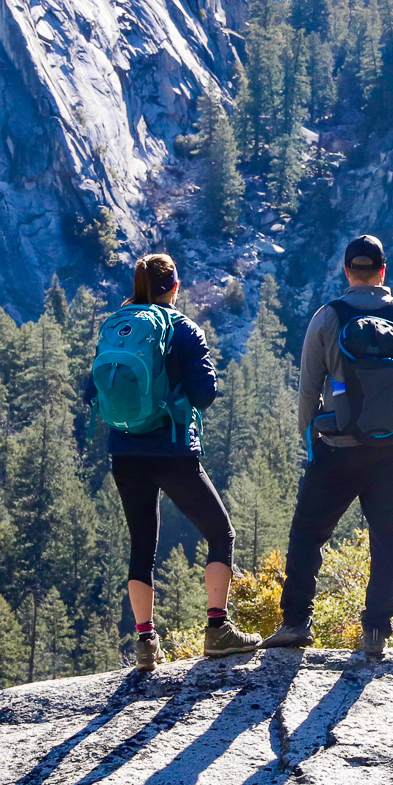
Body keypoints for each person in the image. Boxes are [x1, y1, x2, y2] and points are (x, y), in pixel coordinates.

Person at [262, 235, 393, 661]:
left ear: (346, 271)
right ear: (383, 272)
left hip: (336, 448)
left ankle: (296, 622)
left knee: (308, 532)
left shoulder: (327, 318)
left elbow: (308, 388)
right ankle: (376, 630)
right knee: (385, 535)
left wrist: (310, 442)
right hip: (390, 448)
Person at [93, 253, 260, 670]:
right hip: (172, 448)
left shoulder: (116, 326)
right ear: (175, 286)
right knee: (221, 533)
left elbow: (91, 388)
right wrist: (176, 401)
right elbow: (205, 393)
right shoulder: (182, 328)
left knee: (142, 544)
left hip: (124, 449)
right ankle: (218, 630)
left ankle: (146, 642)